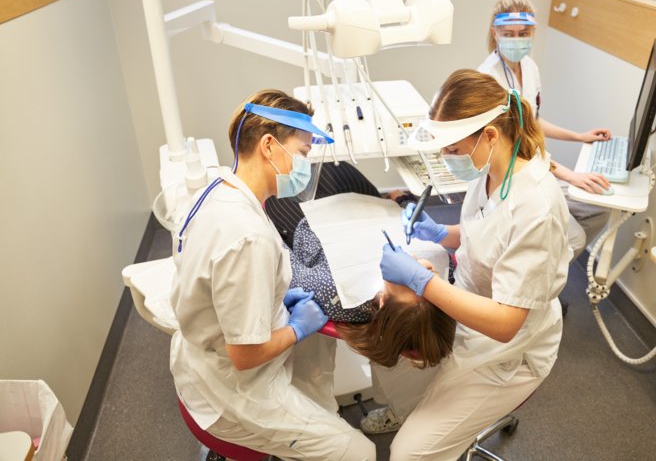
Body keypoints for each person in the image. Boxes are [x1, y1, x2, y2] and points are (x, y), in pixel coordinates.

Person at [375, 69, 571, 460]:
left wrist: (424, 283)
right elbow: (486, 233)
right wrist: (440, 233)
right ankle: (410, 410)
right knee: (390, 353)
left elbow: (506, 324)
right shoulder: (491, 171)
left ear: (490, 135)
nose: (446, 159)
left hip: (509, 350)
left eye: (452, 150)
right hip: (469, 308)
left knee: (408, 454)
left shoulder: (536, 206)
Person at [169, 90, 375, 460]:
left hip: (199, 355)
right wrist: (296, 329)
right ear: (268, 146)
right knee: (357, 452)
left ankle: (316, 418)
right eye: (303, 152)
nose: (306, 165)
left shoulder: (216, 189)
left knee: (319, 350)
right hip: (234, 388)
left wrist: (278, 298)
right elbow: (245, 356)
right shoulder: (248, 237)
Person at [478, 0, 612, 258]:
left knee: (599, 209)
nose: (516, 40)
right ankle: (538, 269)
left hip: (536, 166)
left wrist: (578, 136)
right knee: (573, 238)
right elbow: (515, 147)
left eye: (523, 33)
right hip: (510, 174)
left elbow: (533, 121)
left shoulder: (529, 67)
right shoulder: (487, 79)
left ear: (533, 33)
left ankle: (542, 260)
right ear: (495, 33)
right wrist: (569, 175)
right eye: (508, 34)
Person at [289, 218, 456, 368]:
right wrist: (404, 202)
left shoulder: (332, 293)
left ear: (383, 300)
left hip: (313, 220)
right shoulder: (445, 267)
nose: (412, 258)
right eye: (429, 272)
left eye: (408, 279)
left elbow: (280, 263)